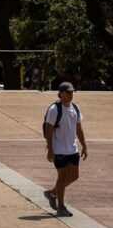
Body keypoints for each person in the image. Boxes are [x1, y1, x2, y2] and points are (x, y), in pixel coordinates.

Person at [43, 82, 88, 217]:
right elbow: (48, 130)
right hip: (59, 148)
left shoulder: (75, 108)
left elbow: (79, 129)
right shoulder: (54, 109)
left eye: (71, 92)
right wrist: (50, 149)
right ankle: (61, 207)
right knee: (62, 177)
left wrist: (84, 145)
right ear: (61, 93)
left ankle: (52, 193)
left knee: (74, 176)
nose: (70, 95)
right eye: (67, 92)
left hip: (72, 148)